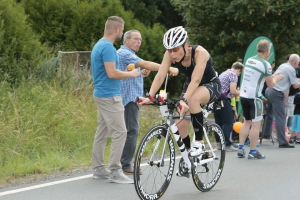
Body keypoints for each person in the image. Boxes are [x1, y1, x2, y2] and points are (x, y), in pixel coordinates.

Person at [138, 26, 221, 164]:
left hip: (210, 83)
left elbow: (196, 80)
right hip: (190, 85)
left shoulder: (200, 53)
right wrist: (150, 96)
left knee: (193, 100)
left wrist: (184, 99)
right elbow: (160, 75)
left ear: (186, 45)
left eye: (175, 49)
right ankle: (189, 156)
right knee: (180, 124)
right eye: (169, 50)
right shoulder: (170, 55)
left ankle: (199, 142)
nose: (172, 54)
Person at [117, 30, 178, 174]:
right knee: (132, 130)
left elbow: (130, 74)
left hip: (131, 97)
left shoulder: (129, 55)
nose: (139, 42)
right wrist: (168, 68)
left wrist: (142, 75)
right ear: (126, 40)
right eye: (136, 39)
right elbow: (145, 63)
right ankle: (125, 165)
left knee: (127, 130)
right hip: (128, 98)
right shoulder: (124, 53)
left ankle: (121, 163)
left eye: (141, 39)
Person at [90, 16, 140, 184]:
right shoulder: (109, 48)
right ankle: (115, 170)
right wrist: (131, 74)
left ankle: (98, 169)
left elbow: (108, 71)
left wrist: (126, 71)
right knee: (121, 132)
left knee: (102, 132)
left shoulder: (99, 45)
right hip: (110, 95)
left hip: (101, 93)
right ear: (117, 30)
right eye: (123, 29)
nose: (123, 32)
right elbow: (112, 73)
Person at [237, 39, 284, 159]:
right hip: (255, 97)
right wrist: (277, 78)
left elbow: (259, 76)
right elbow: (271, 84)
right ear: (267, 50)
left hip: (244, 94)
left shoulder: (249, 60)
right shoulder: (266, 64)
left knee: (246, 122)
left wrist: (272, 76)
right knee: (256, 124)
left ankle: (241, 148)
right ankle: (253, 151)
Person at [263, 54, 300, 148]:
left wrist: (285, 98)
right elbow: (295, 85)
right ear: (295, 62)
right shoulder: (291, 69)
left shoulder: (283, 65)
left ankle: (266, 134)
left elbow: (286, 84)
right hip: (276, 93)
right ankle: (282, 142)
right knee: (281, 117)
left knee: (269, 114)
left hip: (269, 90)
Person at [214, 62, 244, 151]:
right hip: (224, 100)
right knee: (228, 122)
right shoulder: (233, 75)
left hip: (216, 100)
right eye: (240, 73)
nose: (239, 75)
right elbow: (233, 91)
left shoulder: (223, 73)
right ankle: (227, 143)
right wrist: (242, 93)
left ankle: (219, 143)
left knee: (218, 122)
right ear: (238, 70)